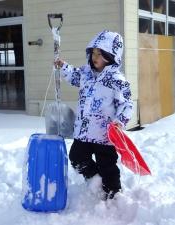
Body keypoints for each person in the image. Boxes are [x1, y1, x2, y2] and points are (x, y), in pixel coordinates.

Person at [54, 30, 133, 200]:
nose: (95, 57)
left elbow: (126, 104)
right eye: (93, 53)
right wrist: (63, 66)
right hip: (83, 131)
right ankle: (95, 179)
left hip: (105, 135)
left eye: (100, 54)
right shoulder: (85, 74)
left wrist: (120, 122)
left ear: (112, 56)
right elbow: (74, 76)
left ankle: (114, 193)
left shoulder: (117, 80)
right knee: (76, 158)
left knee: (108, 166)